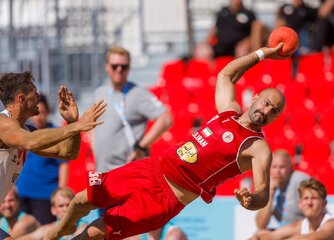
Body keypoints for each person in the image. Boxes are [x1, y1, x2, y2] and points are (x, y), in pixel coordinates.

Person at [45, 43, 288, 240]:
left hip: (165, 198)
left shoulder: (257, 146)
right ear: (256, 97)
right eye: (266, 103)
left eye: (274, 111)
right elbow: (226, 74)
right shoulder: (229, 111)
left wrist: (251, 200)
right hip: (149, 168)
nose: (267, 111)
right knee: (80, 200)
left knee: (97, 232)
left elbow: (263, 193)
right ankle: (58, 232)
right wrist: (263, 53)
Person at [0, 71, 106, 240]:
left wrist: (72, 121)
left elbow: (68, 153)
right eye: (34, 92)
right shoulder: (3, 123)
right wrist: (77, 126)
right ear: (21, 98)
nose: (38, 96)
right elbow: (30, 142)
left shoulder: (25, 130)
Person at [93, 46, 173, 173]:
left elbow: (166, 119)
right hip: (102, 170)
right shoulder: (100, 92)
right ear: (107, 67)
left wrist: (141, 147)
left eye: (123, 66)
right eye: (115, 66)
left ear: (129, 68)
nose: (119, 70)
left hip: (126, 170)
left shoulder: (138, 93)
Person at [16, 94, 69, 225]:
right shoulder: (25, 132)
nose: (38, 117)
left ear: (48, 112)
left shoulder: (56, 133)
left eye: (42, 113)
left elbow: (63, 165)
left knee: (43, 232)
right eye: (35, 113)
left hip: (45, 194)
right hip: (23, 191)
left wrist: (60, 193)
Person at [251, 178, 334, 240]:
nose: (309, 203)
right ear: (300, 204)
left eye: (314, 198)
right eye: (305, 198)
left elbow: (315, 238)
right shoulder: (301, 225)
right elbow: (270, 236)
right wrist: (257, 237)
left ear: (324, 203)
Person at [255, 149, 310, 230]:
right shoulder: (268, 185)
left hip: (302, 229)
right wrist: (270, 193)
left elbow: (316, 214)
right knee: (258, 236)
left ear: (290, 168)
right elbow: (261, 225)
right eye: (274, 167)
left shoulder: (301, 181)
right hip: (283, 231)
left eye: (282, 167)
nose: (277, 171)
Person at [17, 187, 88, 240]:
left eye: (68, 205)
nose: (65, 209)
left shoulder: (84, 228)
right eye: (61, 206)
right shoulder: (47, 229)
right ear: (53, 210)